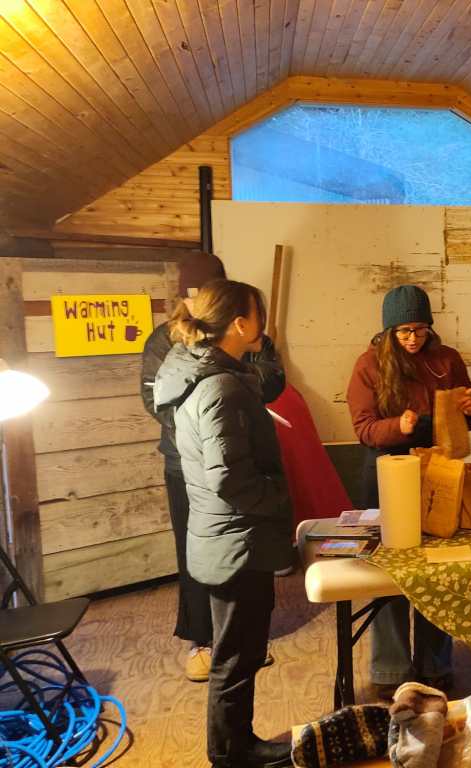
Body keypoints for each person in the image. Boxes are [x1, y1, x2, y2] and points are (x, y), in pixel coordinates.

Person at [154, 279, 293, 768]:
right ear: (239, 323)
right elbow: (230, 480)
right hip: (237, 541)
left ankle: (233, 746)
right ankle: (234, 753)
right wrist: (282, 497)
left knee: (239, 651)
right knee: (237, 656)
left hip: (228, 536)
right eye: (258, 315)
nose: (263, 325)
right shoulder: (219, 387)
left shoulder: (196, 372)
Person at [140, 252, 285, 683]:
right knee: (199, 550)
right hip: (186, 463)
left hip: (239, 453)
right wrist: (210, 419)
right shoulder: (163, 340)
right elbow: (156, 400)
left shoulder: (249, 335)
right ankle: (201, 639)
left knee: (242, 549)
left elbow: (274, 381)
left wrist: (241, 382)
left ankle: (240, 637)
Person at [346, 284, 471, 699]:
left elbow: (470, 421)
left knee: (436, 572)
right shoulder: (369, 364)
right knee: (391, 573)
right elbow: (364, 427)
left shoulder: (447, 359)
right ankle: (389, 669)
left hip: (437, 469)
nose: (412, 339)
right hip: (386, 471)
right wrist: (398, 428)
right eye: (404, 331)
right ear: (388, 330)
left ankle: (435, 664)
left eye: (421, 330)